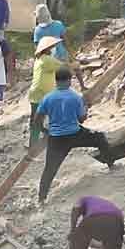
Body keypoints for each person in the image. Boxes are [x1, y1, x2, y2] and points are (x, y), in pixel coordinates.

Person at [35, 67, 115, 204]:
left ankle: (41, 199)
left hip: (56, 138)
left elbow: (37, 118)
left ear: (56, 81)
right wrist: (86, 109)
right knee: (100, 138)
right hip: (75, 134)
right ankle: (111, 164)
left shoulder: (47, 98)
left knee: (50, 169)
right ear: (69, 81)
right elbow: (81, 119)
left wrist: (43, 130)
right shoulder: (75, 97)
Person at [33, 4, 84, 89]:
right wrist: (72, 55)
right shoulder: (58, 24)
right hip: (61, 54)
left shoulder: (37, 30)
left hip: (48, 58)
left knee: (57, 77)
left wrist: (38, 60)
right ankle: (82, 86)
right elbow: (66, 41)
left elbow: (37, 47)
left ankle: (60, 91)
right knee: (74, 68)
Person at [29, 36, 65, 147]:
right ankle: (44, 141)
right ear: (48, 49)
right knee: (43, 121)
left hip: (36, 94)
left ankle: (35, 143)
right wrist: (77, 65)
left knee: (37, 121)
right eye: (52, 47)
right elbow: (64, 67)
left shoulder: (39, 59)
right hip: (43, 96)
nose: (53, 49)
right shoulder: (47, 60)